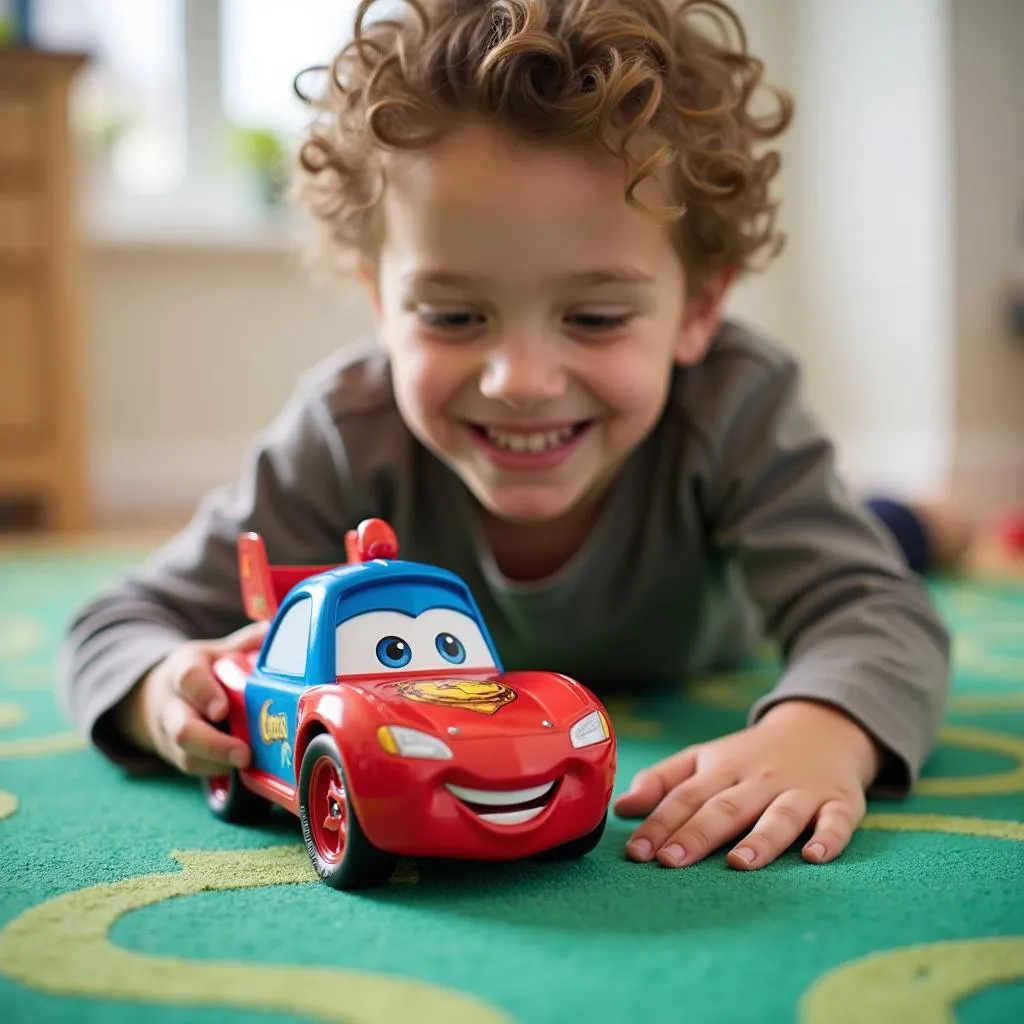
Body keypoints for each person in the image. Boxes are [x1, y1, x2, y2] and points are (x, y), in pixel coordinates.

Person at [58, 0, 952, 873]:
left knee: (892, 537)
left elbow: (873, 609)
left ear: (699, 307)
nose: (519, 381)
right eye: (453, 316)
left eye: (595, 317)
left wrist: (820, 731)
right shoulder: (343, 434)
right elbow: (117, 622)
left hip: (731, 602)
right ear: (381, 301)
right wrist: (155, 692)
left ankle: (924, 519)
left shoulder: (736, 405)